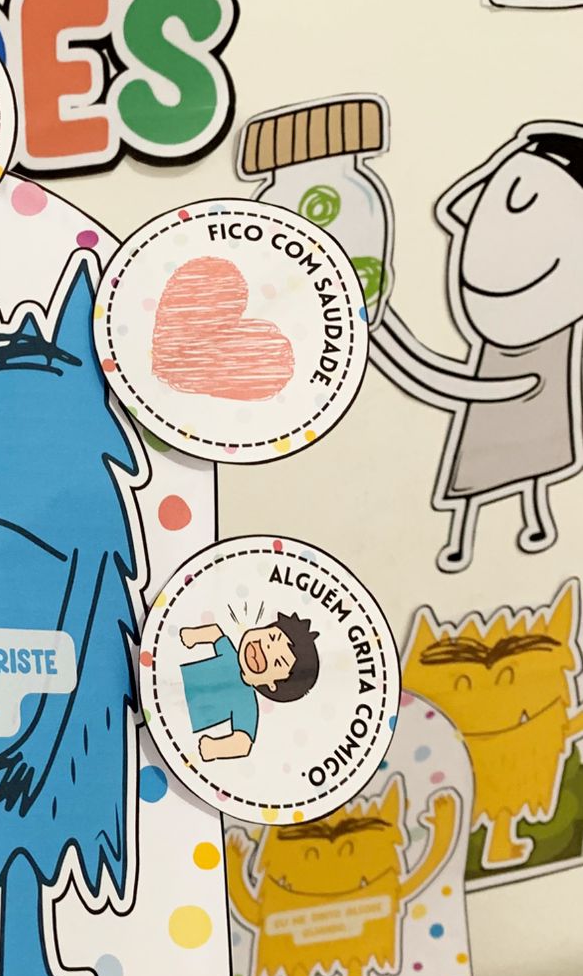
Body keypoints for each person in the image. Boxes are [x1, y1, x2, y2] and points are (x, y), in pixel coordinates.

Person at [371, 125, 583, 571]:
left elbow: (454, 207)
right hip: (499, 357)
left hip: (546, 354)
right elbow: (453, 207)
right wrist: (511, 156)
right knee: (477, 457)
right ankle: (462, 538)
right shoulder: (518, 177)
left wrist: (513, 157)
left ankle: (532, 519)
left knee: (539, 452)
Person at [178, 615, 320, 762]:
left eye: (277, 662)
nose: (267, 648)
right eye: (272, 637)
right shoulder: (230, 656)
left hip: (182, 718)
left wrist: (214, 748)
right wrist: (193, 635)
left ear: (272, 685)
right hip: (172, 686)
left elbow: (243, 744)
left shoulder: (247, 704)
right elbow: (215, 633)